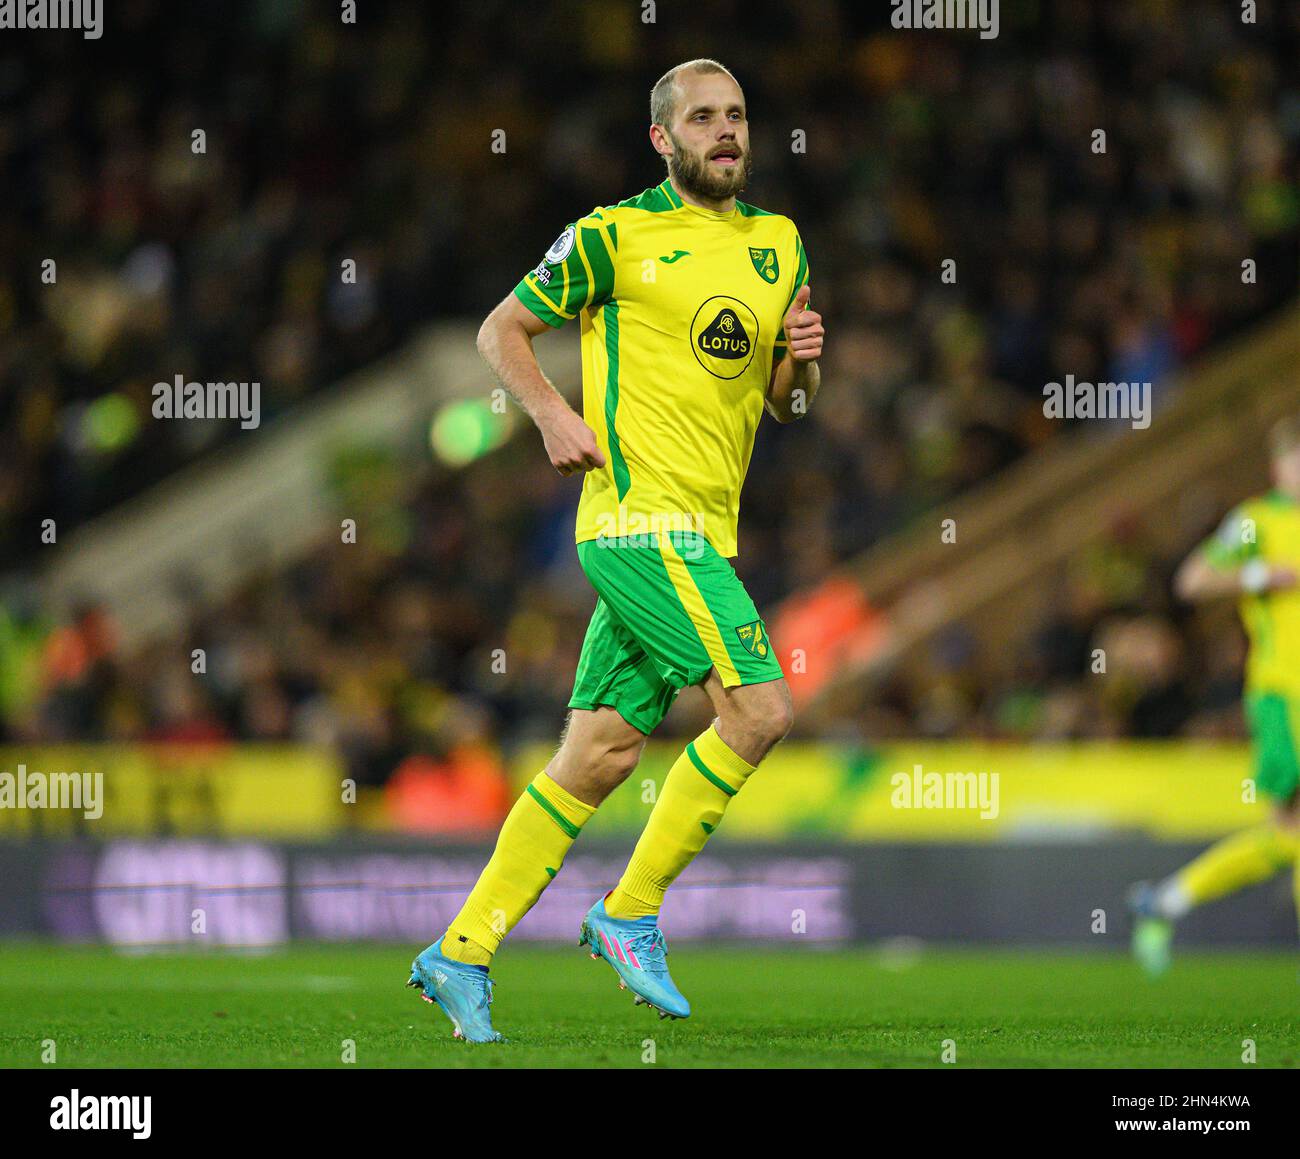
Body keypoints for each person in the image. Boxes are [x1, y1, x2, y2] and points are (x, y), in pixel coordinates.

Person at [407, 58, 824, 1041]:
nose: (725, 131)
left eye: (736, 116)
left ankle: (458, 950)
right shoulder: (612, 234)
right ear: (663, 140)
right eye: (703, 119)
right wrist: (551, 415)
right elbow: (500, 328)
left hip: (698, 530)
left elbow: (785, 403)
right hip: (641, 524)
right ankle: (629, 909)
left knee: (595, 755)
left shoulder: (779, 244)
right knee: (759, 709)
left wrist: (800, 370)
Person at [1130, 415, 1300, 975]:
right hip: (1284, 695)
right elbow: (1192, 579)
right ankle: (1166, 901)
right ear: (1278, 467)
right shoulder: (1256, 523)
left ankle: (1166, 901)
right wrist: (1261, 577)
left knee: (1291, 835)